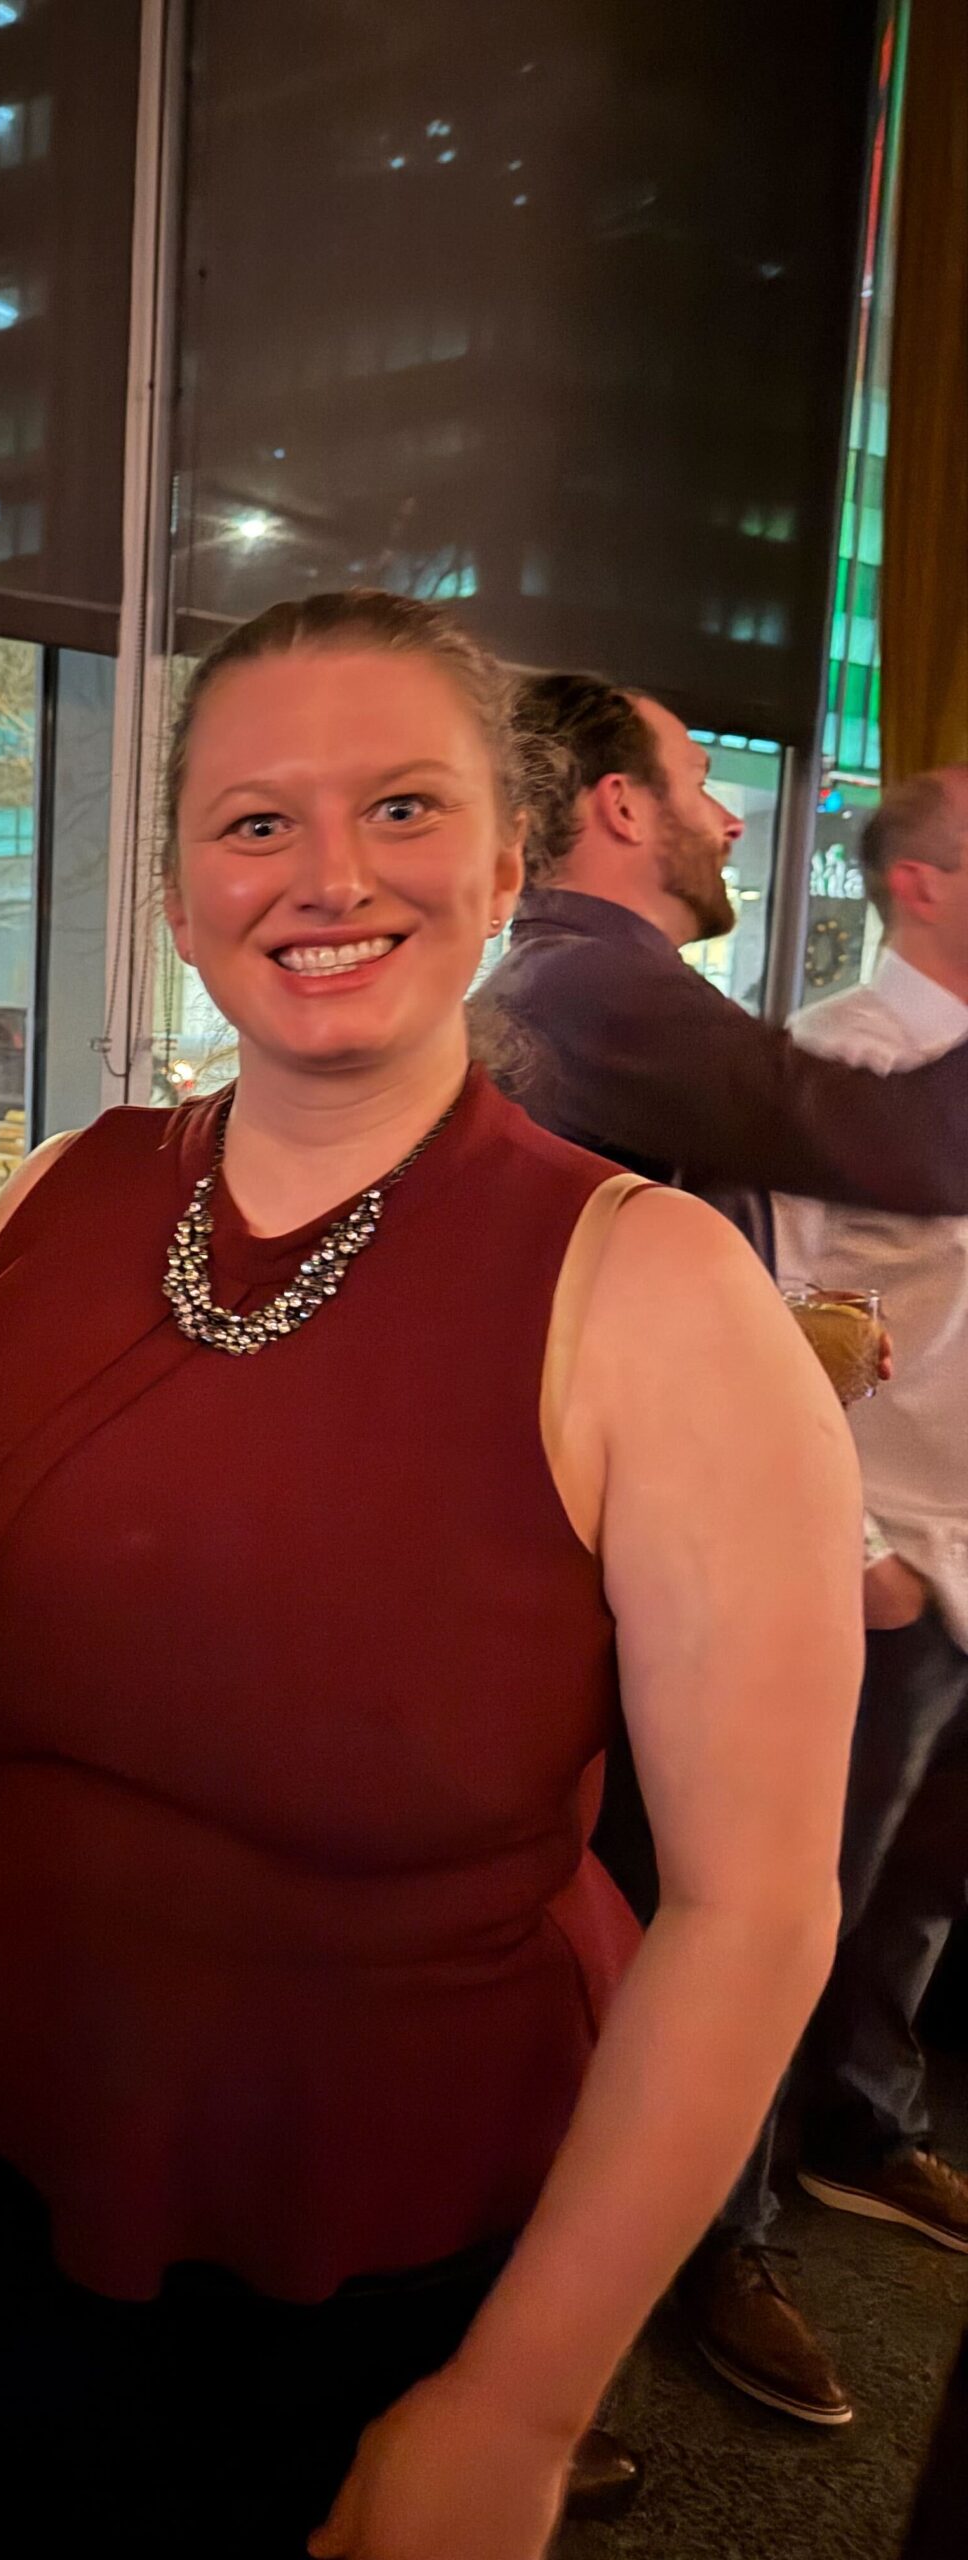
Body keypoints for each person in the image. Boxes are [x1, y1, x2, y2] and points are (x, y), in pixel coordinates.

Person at [0, 591, 861, 2560]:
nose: (329, 874)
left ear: (506, 859)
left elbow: (752, 1911)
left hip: (370, 2246)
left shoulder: (654, 1289)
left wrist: (522, 2401)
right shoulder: (59, 1193)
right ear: (177, 891)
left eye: (402, 807)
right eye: (256, 821)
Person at [686, 768, 968, 2429]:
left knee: (923, 1893)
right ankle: (723, 2239)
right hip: (889, 1557)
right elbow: (775, 1314)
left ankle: (866, 2130)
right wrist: (854, 1546)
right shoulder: (832, 1068)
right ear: (920, 884)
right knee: (788, 1913)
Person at [479, 673, 968, 1267]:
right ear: (624, 807)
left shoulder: (565, 976)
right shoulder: (593, 992)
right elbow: (925, 1150)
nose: (731, 822)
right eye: (699, 783)